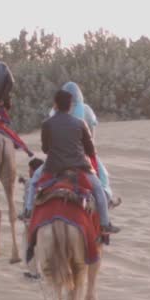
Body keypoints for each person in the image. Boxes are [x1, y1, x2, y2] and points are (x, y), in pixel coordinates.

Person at [36, 89, 121, 234]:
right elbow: (90, 149)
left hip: (54, 168)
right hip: (79, 168)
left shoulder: (47, 124)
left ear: (55, 105)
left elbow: (45, 149)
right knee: (99, 189)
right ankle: (105, 224)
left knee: (32, 185)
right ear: (70, 106)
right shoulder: (80, 122)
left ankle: (27, 213)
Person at [50, 81, 115, 201]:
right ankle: (105, 218)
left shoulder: (54, 112)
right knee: (101, 185)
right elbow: (91, 139)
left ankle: (28, 210)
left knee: (34, 182)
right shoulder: (87, 111)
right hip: (81, 157)